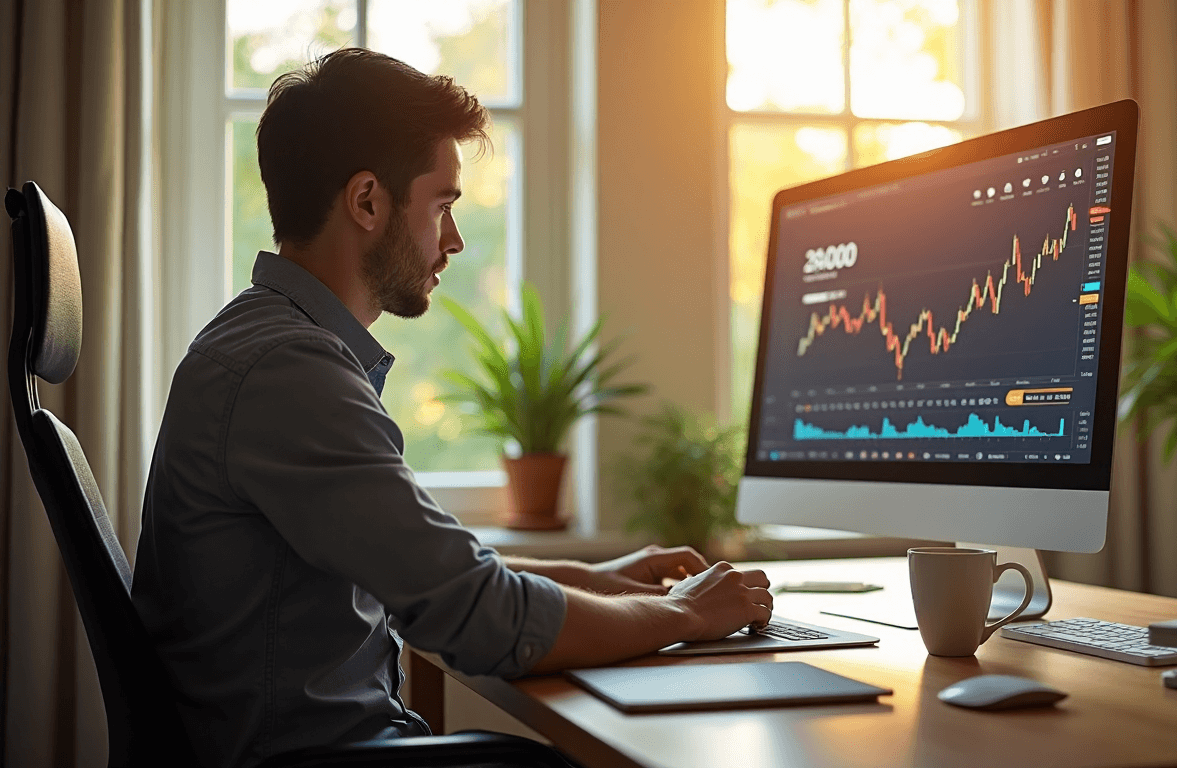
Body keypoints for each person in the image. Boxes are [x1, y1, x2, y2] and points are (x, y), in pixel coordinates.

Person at [130, 47, 773, 768]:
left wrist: (600, 578)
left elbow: (435, 567)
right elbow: (478, 617)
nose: (455, 240)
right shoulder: (289, 370)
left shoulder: (270, 344)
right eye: (442, 206)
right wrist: (687, 614)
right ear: (367, 200)